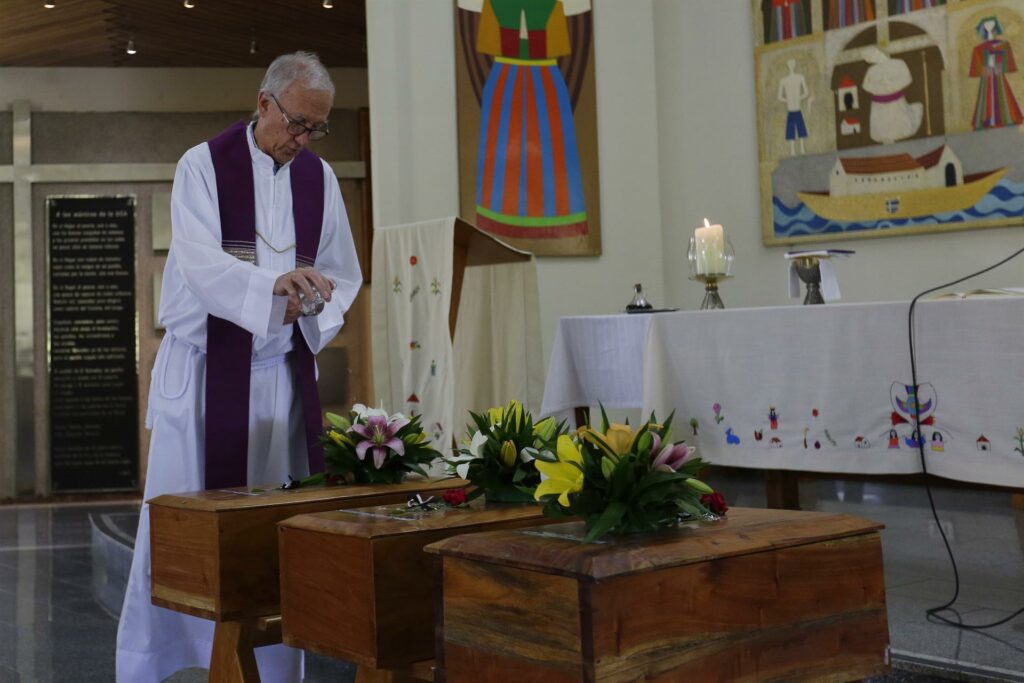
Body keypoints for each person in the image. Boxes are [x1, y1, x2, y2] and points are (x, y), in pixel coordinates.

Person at [115, 51, 362, 683]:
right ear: (265, 103)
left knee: (268, 530)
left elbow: (342, 271)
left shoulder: (320, 179)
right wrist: (272, 288)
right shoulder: (201, 166)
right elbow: (199, 265)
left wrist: (314, 295)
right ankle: (162, 663)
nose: (303, 141)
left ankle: (270, 670)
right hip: (204, 378)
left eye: (316, 130)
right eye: (298, 124)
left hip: (277, 380)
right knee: (181, 525)